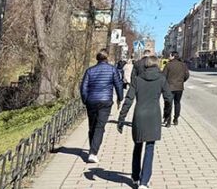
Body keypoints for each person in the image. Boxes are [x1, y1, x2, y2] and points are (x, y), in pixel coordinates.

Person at [118, 54, 172, 189]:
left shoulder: (137, 79)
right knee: (150, 148)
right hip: (154, 116)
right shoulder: (161, 79)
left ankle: (135, 177)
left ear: (145, 65)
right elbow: (168, 98)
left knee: (137, 146)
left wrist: (121, 118)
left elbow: (129, 99)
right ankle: (144, 181)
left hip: (139, 115)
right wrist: (167, 114)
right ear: (157, 65)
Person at [79, 49, 124, 164]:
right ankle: (93, 152)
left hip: (92, 101)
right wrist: (120, 98)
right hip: (105, 102)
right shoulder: (112, 70)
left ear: (97, 59)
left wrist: (85, 100)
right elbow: (118, 84)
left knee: (92, 126)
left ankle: (92, 149)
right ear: (107, 58)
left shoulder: (90, 71)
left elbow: (83, 87)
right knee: (100, 126)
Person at [162, 52, 189, 127]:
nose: (168, 57)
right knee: (177, 103)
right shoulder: (183, 65)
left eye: (170, 55)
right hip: (179, 87)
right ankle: (176, 119)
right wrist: (181, 81)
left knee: (168, 104)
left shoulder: (168, 65)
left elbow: (163, 76)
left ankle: (168, 121)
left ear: (173, 56)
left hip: (169, 87)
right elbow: (187, 75)